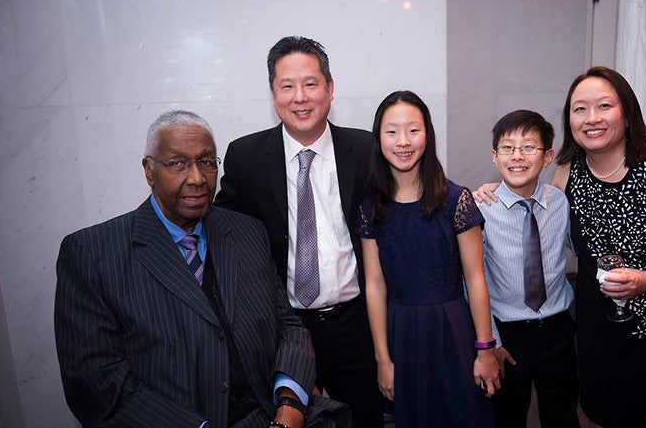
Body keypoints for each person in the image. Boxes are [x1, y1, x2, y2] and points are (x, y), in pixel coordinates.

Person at [54, 110, 350, 428]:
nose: (197, 178)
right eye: (178, 164)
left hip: (271, 415)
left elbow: (288, 325)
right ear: (149, 170)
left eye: (207, 162)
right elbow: (96, 384)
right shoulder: (92, 253)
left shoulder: (247, 231)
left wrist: (290, 408)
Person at [475, 66, 646, 428]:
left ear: (626, 114)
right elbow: (533, 222)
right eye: (580, 109)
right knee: (600, 413)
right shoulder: (567, 173)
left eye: (604, 106)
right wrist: (489, 194)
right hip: (598, 329)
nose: (591, 118)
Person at [214, 36, 384, 428]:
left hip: (354, 326)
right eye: (286, 86)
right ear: (273, 93)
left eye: (310, 84)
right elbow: (221, 232)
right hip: (284, 332)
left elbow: (413, 195)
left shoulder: (365, 148)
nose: (300, 97)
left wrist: (485, 193)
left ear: (330, 88)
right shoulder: (246, 157)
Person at [355, 90, 500, 428]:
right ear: (379, 138)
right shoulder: (371, 208)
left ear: (427, 134)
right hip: (401, 332)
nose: (403, 141)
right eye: (392, 131)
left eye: (413, 130)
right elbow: (374, 286)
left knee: (465, 415)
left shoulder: (455, 200)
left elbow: (475, 278)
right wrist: (382, 359)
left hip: (453, 327)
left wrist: (485, 349)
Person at [477, 110, 580, 428]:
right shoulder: (481, 208)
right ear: (495, 157)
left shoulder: (560, 203)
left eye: (529, 147)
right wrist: (490, 343)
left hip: (558, 329)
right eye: (507, 148)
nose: (517, 156)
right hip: (507, 334)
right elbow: (473, 280)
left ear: (548, 157)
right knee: (507, 416)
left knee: (562, 412)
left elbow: (583, 251)